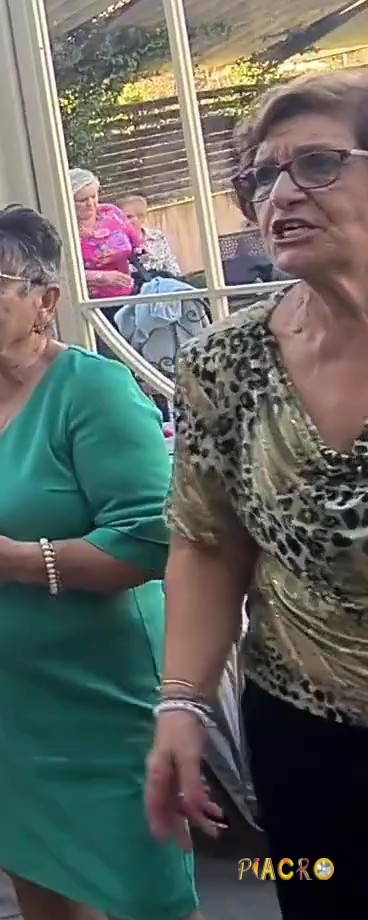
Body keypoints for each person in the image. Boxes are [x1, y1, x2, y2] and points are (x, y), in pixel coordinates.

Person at [0, 206, 199, 920]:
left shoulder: (92, 391)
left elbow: (152, 539)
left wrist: (21, 562)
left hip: (97, 702)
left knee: (148, 899)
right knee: (40, 889)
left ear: (45, 301)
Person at [147, 68, 368, 918]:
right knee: (318, 896)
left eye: (316, 163)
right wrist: (182, 704)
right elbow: (208, 544)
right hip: (302, 736)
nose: (281, 194)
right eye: (262, 177)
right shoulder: (223, 362)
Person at [70, 167, 142, 303]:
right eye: (82, 200)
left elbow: (137, 246)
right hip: (91, 303)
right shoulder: (64, 228)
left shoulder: (111, 212)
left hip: (129, 292)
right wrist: (100, 277)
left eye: (93, 197)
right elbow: (64, 274)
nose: (90, 204)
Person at [116, 195, 180, 279]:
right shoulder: (117, 245)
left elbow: (171, 265)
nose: (124, 221)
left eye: (129, 217)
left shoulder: (157, 237)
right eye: (120, 218)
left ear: (142, 218)